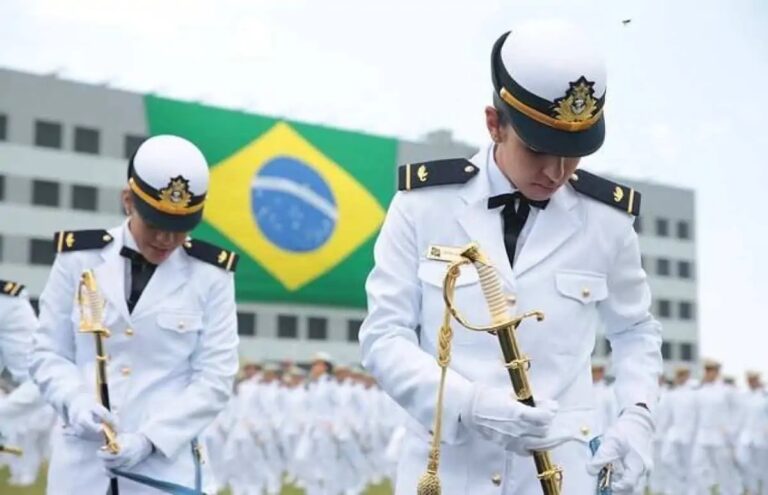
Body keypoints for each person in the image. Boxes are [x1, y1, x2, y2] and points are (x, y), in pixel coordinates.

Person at [359, 19, 662, 494]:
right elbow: (383, 336)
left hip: (561, 473)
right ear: (494, 124)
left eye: (573, 153)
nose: (557, 172)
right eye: (539, 149)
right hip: (449, 470)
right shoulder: (423, 203)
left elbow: (636, 331)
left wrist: (637, 416)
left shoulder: (608, 221)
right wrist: (468, 404)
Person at [31, 134, 240, 494]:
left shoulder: (211, 275)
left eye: (180, 228)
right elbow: (48, 352)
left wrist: (149, 440)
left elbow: (215, 378)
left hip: (164, 468)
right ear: (128, 201)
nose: (166, 240)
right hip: (82, 468)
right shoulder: (77, 259)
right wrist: (75, 403)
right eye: (155, 224)